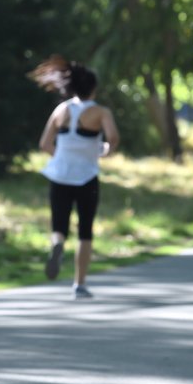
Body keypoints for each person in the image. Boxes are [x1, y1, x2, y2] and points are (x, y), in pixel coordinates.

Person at [29, 55, 120, 299]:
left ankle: (57, 244)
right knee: (85, 230)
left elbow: (45, 143)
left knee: (59, 224)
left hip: (59, 174)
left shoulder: (62, 109)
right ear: (93, 88)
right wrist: (105, 151)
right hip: (86, 176)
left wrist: (63, 156)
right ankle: (79, 284)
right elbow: (113, 138)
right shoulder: (100, 112)